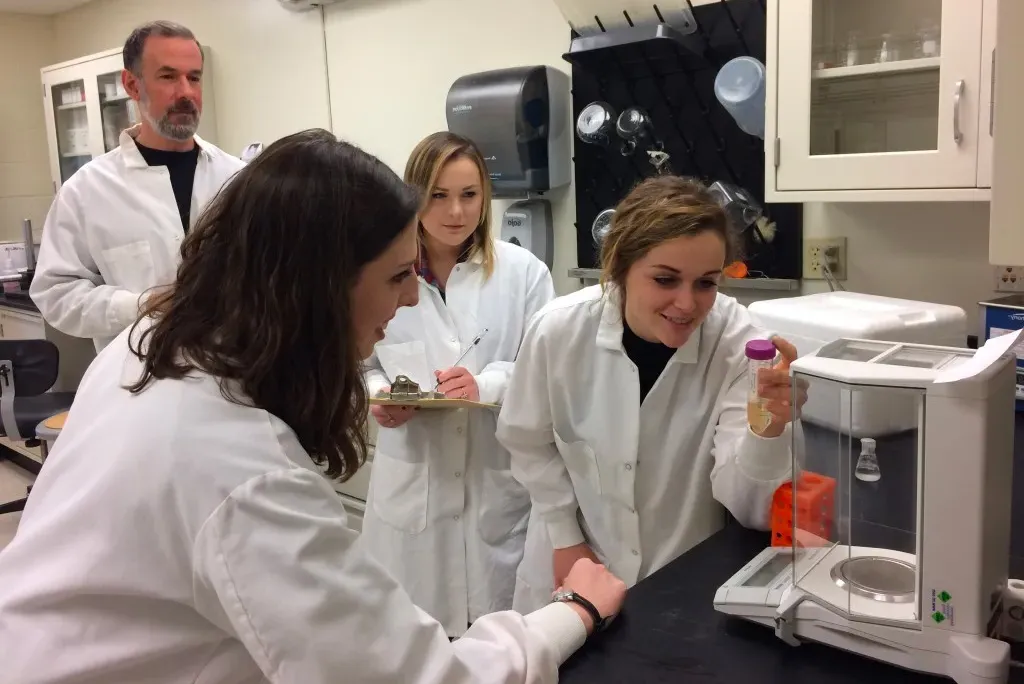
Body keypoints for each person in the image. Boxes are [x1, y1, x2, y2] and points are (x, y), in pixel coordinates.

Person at [0, 130, 625, 683]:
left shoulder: (149, 348)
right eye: (394, 278)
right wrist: (573, 613)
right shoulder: (242, 470)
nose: (412, 300)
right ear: (317, 285)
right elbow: (416, 677)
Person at [496, 175, 805, 613]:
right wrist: (565, 538)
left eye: (706, 283)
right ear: (620, 266)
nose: (686, 304)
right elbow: (527, 442)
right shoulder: (558, 331)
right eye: (665, 279)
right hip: (573, 565)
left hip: (681, 582)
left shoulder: (739, 347)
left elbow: (750, 508)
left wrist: (769, 429)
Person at [362, 131, 557, 639]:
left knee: (498, 641)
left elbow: (547, 373)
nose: (455, 212)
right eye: (439, 195)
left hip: (496, 489)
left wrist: (487, 383)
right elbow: (358, 361)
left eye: (469, 195)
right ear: (414, 196)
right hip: (413, 494)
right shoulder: (379, 271)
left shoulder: (524, 274)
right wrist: (381, 394)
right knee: (413, 642)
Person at [30, 20, 244, 351]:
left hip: (233, 380)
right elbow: (55, 294)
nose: (186, 92)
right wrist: (139, 305)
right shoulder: (86, 192)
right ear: (132, 85)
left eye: (194, 78)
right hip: (138, 384)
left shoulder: (239, 179)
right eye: (168, 77)